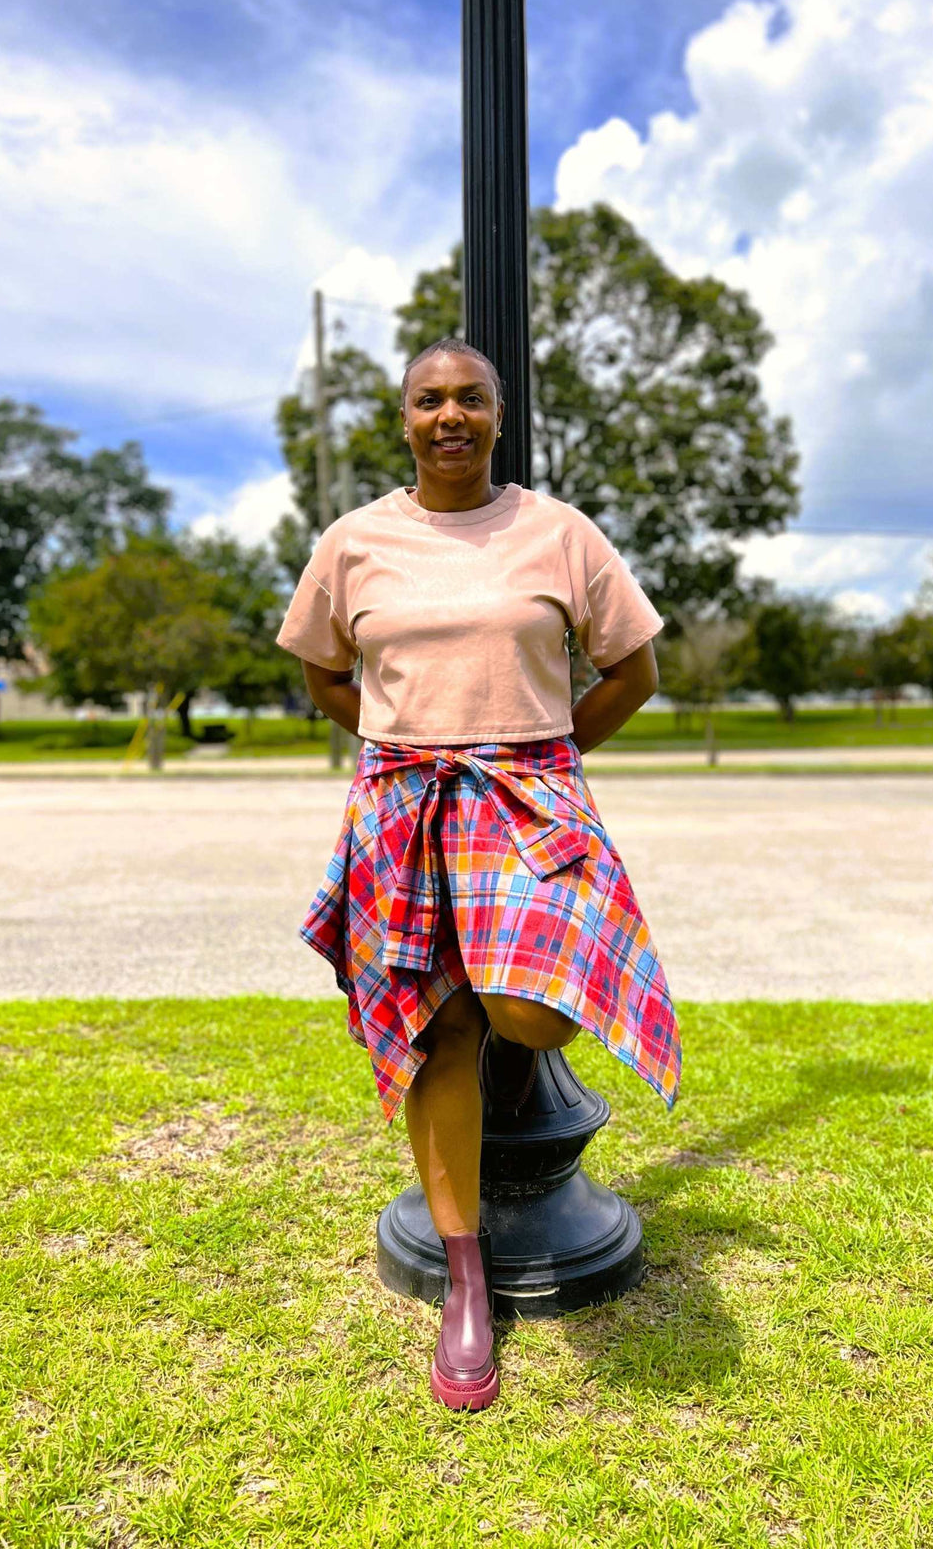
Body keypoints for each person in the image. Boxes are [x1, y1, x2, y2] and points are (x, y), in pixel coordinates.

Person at [276, 338, 681, 1412]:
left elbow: (634, 668)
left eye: (470, 399)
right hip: (405, 800)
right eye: (428, 399)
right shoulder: (355, 541)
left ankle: (518, 1074)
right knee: (436, 1027)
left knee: (533, 1010)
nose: (448, 414)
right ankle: (466, 1273)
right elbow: (323, 667)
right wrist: (397, 745)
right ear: (403, 418)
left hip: (527, 794)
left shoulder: (558, 533)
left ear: (500, 416)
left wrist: (543, 749)